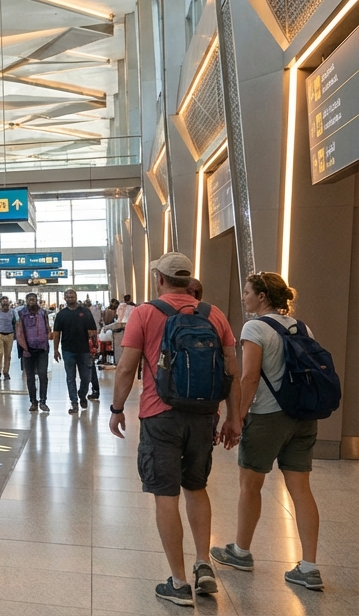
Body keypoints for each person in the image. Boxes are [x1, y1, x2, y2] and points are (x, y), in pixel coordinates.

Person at [109, 252, 239, 607]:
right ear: (189, 280)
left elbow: (125, 367)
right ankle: (203, 564)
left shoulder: (146, 313)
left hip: (159, 415)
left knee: (165, 495)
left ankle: (179, 583)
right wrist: (233, 417)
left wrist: (117, 409)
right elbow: (231, 370)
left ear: (159, 278)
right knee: (196, 487)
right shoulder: (214, 314)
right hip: (204, 415)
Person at [211, 272, 325, 591]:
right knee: (301, 488)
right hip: (302, 416)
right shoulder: (302, 327)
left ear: (262, 296)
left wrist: (239, 416)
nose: (244, 297)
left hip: (267, 415)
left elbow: (249, 378)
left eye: (248, 292)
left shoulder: (255, 327)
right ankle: (309, 567)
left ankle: (241, 551)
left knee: (250, 484)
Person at [52, 288, 100, 415]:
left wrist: (94, 347)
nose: (70, 298)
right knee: (70, 377)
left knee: (86, 377)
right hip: (68, 350)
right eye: (67, 296)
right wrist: (55, 350)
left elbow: (93, 332)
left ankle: (82, 394)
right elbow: (56, 333)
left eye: (72, 296)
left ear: (76, 296)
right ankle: (74, 402)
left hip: (84, 350)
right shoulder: (61, 314)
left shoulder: (85, 312)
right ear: (64, 298)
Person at [16, 292, 51, 413]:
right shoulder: (21, 314)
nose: (31, 301)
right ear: (26, 301)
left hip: (42, 349)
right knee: (30, 377)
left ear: (37, 300)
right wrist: (24, 348)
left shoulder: (43, 313)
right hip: (28, 350)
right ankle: (33, 401)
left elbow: (47, 328)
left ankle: (43, 401)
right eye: (29, 299)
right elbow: (19, 332)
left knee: (43, 375)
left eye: (33, 299)